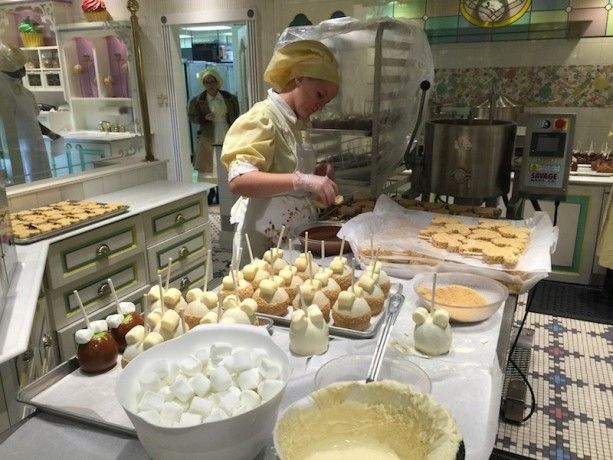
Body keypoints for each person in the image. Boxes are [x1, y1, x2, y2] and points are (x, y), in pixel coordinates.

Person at [221, 40, 339, 258]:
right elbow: (239, 181)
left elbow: (283, 168)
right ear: (299, 78)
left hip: (292, 235)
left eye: (326, 102)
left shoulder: (297, 122)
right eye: (319, 95)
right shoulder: (262, 118)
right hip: (263, 237)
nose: (319, 106)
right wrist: (303, 180)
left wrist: (315, 174)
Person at [0, 43, 60, 185]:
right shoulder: (5, 92)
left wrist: (49, 133)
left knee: (43, 178)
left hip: (36, 142)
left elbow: (30, 119)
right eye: (20, 68)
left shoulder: (23, 91)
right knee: (30, 180)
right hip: (20, 148)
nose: (24, 71)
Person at [188, 68, 239, 204]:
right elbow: (192, 117)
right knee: (210, 163)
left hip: (226, 131)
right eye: (206, 82)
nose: (210, 85)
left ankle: (224, 189)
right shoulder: (198, 100)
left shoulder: (229, 98)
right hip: (208, 135)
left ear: (218, 82)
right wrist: (204, 118)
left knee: (225, 159)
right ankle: (211, 190)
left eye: (212, 81)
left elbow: (236, 114)